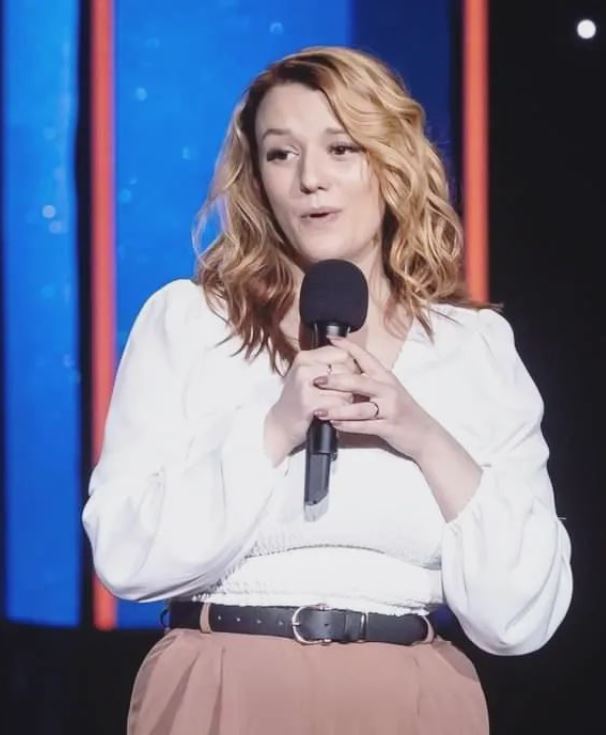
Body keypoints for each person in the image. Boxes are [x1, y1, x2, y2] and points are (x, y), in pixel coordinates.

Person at [82, 46, 572, 734]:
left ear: (389, 162)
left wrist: (422, 433)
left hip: (412, 695)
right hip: (223, 684)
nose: (311, 179)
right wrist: (274, 427)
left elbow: (523, 612)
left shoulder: (471, 347)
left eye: (341, 148)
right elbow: (125, 554)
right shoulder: (188, 320)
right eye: (281, 154)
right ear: (257, 176)